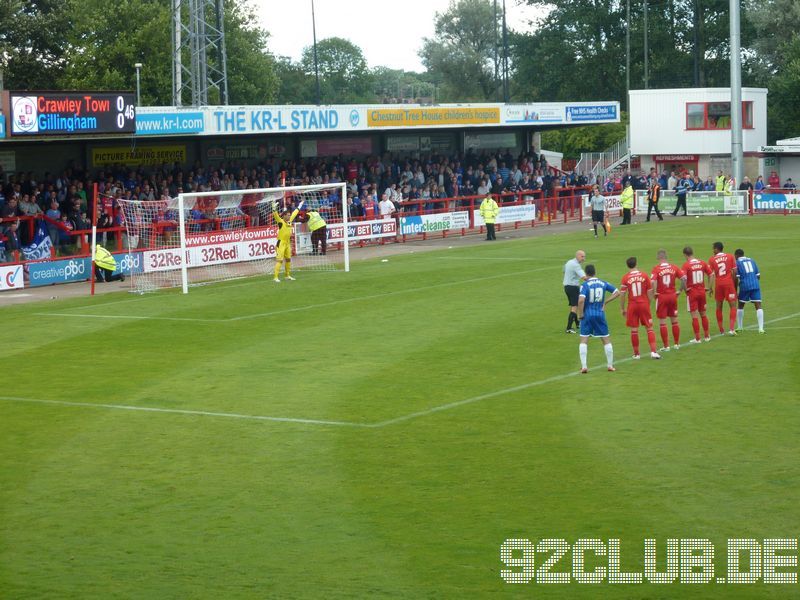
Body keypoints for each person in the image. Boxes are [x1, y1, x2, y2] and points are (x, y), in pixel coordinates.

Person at [577, 263, 620, 373]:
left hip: (587, 315)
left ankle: (584, 366)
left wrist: (580, 314)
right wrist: (605, 302)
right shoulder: (603, 283)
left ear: (586, 273)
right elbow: (617, 292)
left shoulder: (585, 285)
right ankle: (610, 365)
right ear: (595, 272)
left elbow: (581, 300)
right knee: (606, 339)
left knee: (584, 339)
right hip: (600, 314)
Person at [619, 256, 661, 359]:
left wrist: (622, 308)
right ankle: (653, 352)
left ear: (627, 266)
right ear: (636, 264)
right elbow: (650, 292)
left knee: (634, 329)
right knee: (649, 327)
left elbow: (622, 294)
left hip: (632, 305)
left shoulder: (625, 278)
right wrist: (648, 303)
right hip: (643, 304)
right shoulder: (644, 275)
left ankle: (636, 354)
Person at [651, 249, 684, 351]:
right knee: (674, 320)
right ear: (666, 257)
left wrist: (655, 292)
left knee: (663, 322)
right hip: (673, 296)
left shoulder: (656, 269)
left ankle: (666, 346)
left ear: (658, 258)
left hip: (662, 297)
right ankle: (677, 344)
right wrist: (680, 290)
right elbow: (684, 278)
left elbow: (653, 281)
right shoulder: (674, 267)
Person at [682, 246, 713, 343]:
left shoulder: (686, 265)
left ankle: (698, 338)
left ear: (685, 255)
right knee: (703, 314)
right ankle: (707, 336)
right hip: (702, 292)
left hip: (692, 293)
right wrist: (709, 287)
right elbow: (711, 274)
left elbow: (683, 279)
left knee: (694, 316)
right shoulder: (702, 262)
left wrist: (685, 289)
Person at [708, 241, 738, 335]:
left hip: (719, 285)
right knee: (733, 305)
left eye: (713, 248)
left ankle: (721, 330)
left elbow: (711, 275)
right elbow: (735, 272)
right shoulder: (730, 256)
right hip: (728, 284)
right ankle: (732, 329)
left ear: (717, 249)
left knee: (719, 306)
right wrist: (733, 283)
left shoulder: (712, 259)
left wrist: (710, 288)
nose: (713, 250)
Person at [734, 249, 765, 333]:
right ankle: (761, 329)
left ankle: (740, 327)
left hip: (744, 286)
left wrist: (735, 289)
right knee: (758, 305)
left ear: (736, 256)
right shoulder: (752, 260)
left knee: (741, 305)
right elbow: (758, 275)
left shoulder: (737, 263)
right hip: (755, 284)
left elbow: (736, 277)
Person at [272, 200, 302, 282]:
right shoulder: (280, 222)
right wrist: (274, 208)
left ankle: (287, 275)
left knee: (288, 259)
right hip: (280, 243)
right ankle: (275, 277)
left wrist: (299, 205)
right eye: (288, 215)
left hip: (287, 243)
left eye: (289, 215)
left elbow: (295, 213)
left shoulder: (289, 221)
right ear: (284, 216)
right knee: (280, 260)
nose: (289, 216)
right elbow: (275, 215)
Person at [563, 250, 587, 334]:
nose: (584, 259)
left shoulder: (569, 262)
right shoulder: (576, 265)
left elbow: (564, 271)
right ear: (577, 256)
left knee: (573, 305)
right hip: (573, 287)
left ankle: (577, 324)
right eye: (582, 256)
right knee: (575, 307)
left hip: (567, 286)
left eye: (584, 256)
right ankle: (568, 328)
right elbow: (584, 277)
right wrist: (594, 280)